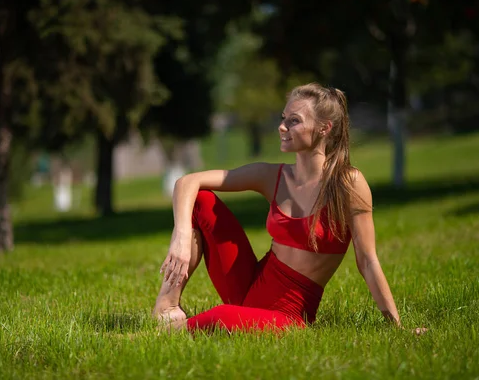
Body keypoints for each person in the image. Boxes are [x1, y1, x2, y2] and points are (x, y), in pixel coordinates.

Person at [152, 82, 401, 334]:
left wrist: (396, 327)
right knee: (201, 199)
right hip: (247, 287)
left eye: (294, 121)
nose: (282, 127)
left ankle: (159, 333)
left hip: (288, 316)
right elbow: (187, 182)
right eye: (283, 118)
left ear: (325, 128)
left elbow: (367, 261)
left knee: (219, 316)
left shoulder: (348, 183)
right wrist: (181, 237)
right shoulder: (273, 176)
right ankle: (166, 308)